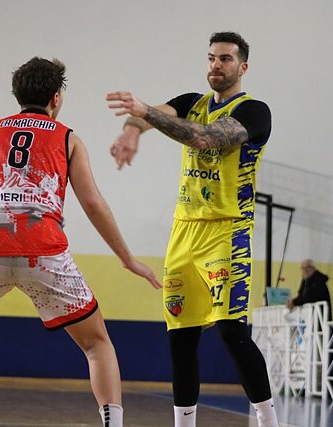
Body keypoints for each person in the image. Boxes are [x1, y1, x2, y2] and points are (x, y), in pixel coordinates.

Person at [0, 57, 161, 427]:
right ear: (56, 97)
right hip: (42, 250)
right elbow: (93, 203)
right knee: (97, 345)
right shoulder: (67, 138)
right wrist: (127, 258)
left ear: (17, 94)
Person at [106, 32, 278, 427]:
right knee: (181, 337)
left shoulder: (255, 111)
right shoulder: (190, 102)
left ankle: (269, 421)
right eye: (211, 58)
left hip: (227, 230)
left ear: (242, 67)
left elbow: (206, 139)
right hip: (185, 230)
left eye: (225, 59)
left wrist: (147, 114)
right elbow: (145, 116)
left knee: (231, 331)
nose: (216, 65)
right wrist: (132, 130)